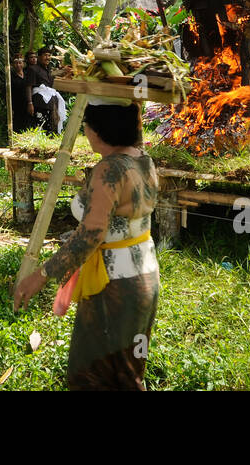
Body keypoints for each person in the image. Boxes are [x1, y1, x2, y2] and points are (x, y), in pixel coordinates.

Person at [12, 100, 159, 390]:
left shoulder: (110, 170)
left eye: (87, 125)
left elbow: (90, 235)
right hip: (145, 280)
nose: (85, 130)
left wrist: (40, 276)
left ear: (97, 130)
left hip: (114, 289)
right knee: (128, 373)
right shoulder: (143, 159)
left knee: (92, 378)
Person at [10, 53, 31, 133]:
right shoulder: (11, 77)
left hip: (28, 104)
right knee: (18, 126)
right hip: (16, 106)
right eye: (16, 63)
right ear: (12, 64)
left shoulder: (28, 74)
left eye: (20, 62)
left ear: (23, 64)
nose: (18, 65)